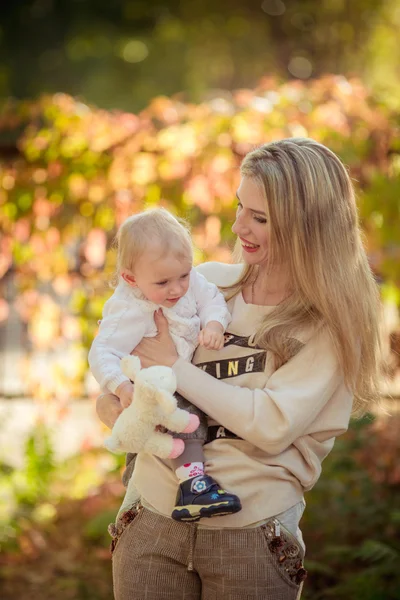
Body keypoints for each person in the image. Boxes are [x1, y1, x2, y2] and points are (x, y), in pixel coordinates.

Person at [96, 138, 382, 600]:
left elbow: (269, 425)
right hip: (151, 522)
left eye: (260, 218)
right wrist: (116, 403)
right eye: (239, 207)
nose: (238, 226)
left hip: (249, 536)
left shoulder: (326, 326)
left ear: (307, 227)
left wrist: (172, 364)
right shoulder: (202, 285)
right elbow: (122, 364)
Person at [89, 208, 242, 522]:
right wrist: (121, 386)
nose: (177, 289)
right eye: (163, 282)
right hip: (150, 390)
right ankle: (193, 486)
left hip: (178, 378)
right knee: (185, 422)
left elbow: (212, 298)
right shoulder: (129, 309)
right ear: (131, 278)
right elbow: (101, 352)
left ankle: (186, 484)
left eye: (183, 275)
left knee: (187, 421)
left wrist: (214, 323)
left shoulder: (191, 281)